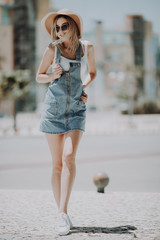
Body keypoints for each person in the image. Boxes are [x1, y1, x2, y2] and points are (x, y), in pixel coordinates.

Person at [36, 9, 96, 236]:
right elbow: (39, 75)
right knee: (57, 165)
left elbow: (92, 73)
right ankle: (62, 214)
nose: (60, 31)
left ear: (74, 27)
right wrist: (52, 74)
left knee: (69, 157)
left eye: (64, 26)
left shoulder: (86, 48)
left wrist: (84, 89)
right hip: (53, 110)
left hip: (76, 110)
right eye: (57, 27)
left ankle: (62, 212)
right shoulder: (52, 49)